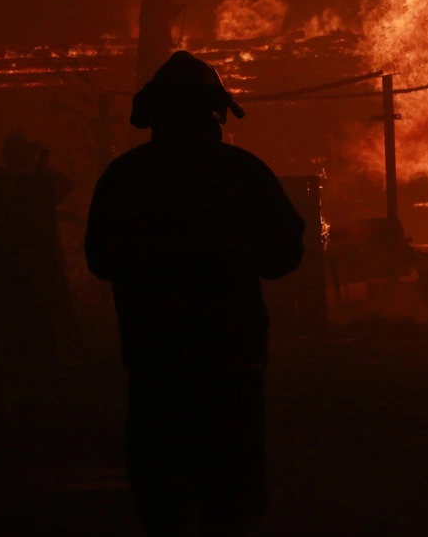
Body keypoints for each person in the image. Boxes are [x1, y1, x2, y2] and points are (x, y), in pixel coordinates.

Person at [86, 51, 304, 536]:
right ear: (217, 112)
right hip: (231, 361)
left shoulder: (125, 178)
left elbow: (100, 260)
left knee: (163, 496)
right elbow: (284, 257)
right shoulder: (243, 173)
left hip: (154, 361)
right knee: (231, 498)